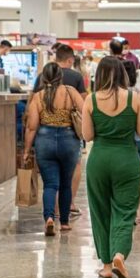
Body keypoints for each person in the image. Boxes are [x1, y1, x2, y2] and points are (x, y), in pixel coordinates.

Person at [83, 57, 140, 278]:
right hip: (126, 160)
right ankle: (120, 254)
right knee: (125, 210)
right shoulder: (135, 98)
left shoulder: (90, 100)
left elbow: (87, 136)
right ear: (123, 74)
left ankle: (107, 266)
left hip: (99, 159)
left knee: (100, 211)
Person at [24, 62, 84, 236]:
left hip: (44, 140)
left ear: (44, 77)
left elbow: (32, 126)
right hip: (69, 140)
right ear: (60, 76)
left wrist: (27, 149)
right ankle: (64, 222)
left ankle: (49, 218)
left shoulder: (38, 96)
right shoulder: (71, 92)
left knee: (50, 184)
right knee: (66, 183)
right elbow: (86, 111)